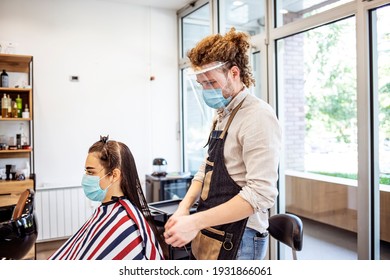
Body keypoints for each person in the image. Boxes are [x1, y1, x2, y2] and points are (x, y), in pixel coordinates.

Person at [164, 28, 282, 260]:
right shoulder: (223, 114)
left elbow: (261, 194)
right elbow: (207, 167)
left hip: (242, 236)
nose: (206, 90)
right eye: (202, 84)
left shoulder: (258, 116)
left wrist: (194, 221)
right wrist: (184, 207)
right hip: (214, 225)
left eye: (211, 82)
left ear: (234, 73)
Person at [49, 136, 166, 260]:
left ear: (114, 175)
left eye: (91, 172)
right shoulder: (109, 210)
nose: (86, 178)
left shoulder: (123, 225)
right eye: (86, 172)